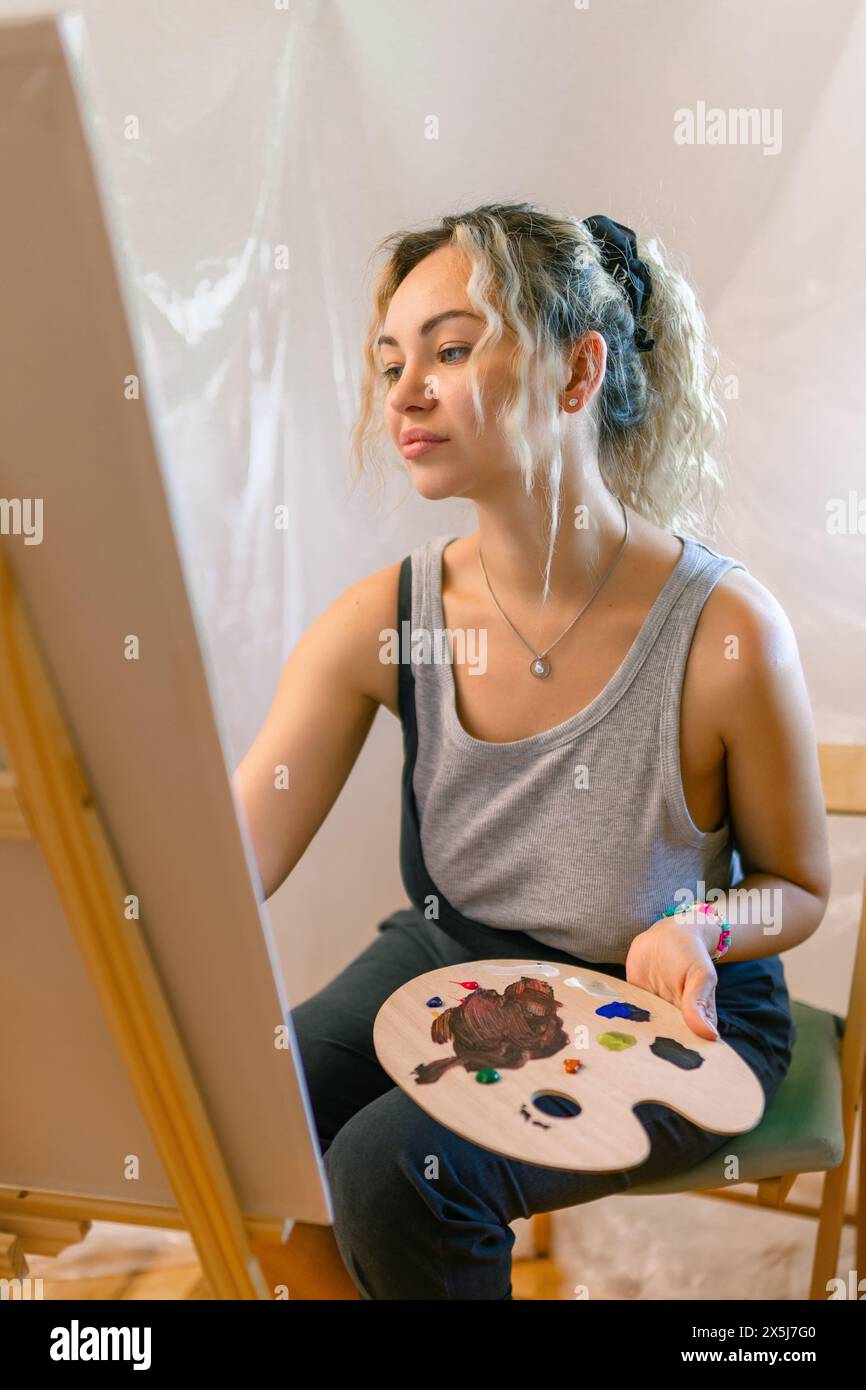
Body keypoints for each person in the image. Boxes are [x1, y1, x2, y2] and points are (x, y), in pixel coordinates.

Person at [234, 202, 831, 1300]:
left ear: (574, 373)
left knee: (391, 1172)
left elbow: (797, 885)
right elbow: (227, 863)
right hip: (454, 958)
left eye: (450, 350)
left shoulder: (725, 631)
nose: (405, 390)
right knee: (253, 1120)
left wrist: (700, 924)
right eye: (390, 361)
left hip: (666, 1004)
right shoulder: (388, 617)